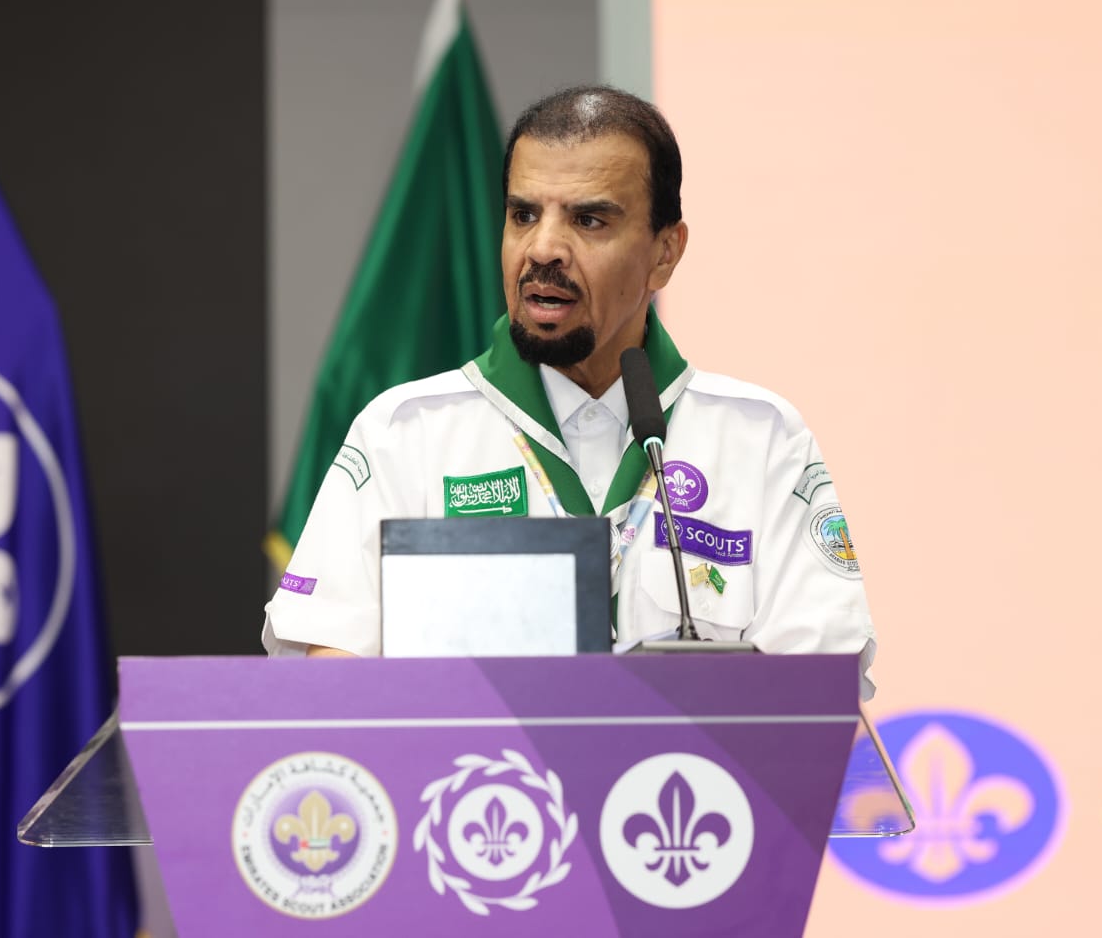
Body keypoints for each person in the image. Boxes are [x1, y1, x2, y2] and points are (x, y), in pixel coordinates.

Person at [262, 86, 877, 696]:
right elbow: (330, 681)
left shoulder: (761, 441)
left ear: (665, 253)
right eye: (523, 215)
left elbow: (820, 689)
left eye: (588, 220)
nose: (543, 248)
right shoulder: (405, 434)